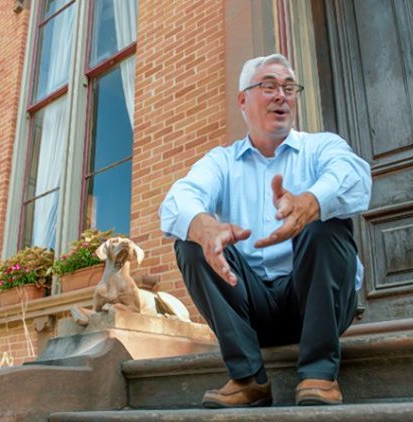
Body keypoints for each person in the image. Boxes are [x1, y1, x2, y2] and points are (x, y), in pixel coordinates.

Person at [158, 54, 372, 408]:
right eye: (269, 86)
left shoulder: (321, 147)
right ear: (243, 99)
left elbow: (357, 178)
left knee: (324, 225)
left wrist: (311, 202)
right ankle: (248, 379)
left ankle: (319, 373)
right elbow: (177, 200)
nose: (281, 96)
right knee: (193, 240)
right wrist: (204, 225)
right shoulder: (222, 161)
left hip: (316, 302)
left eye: (289, 88)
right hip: (251, 307)